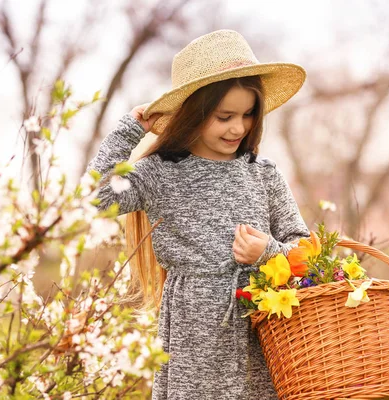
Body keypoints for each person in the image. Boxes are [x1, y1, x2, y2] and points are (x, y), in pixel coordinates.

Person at [87, 29, 310, 400]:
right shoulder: (161, 172)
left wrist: (270, 252)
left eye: (248, 114)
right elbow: (97, 198)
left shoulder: (263, 174)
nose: (238, 128)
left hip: (261, 324)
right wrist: (128, 132)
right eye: (224, 117)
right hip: (195, 332)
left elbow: (304, 249)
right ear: (194, 113)